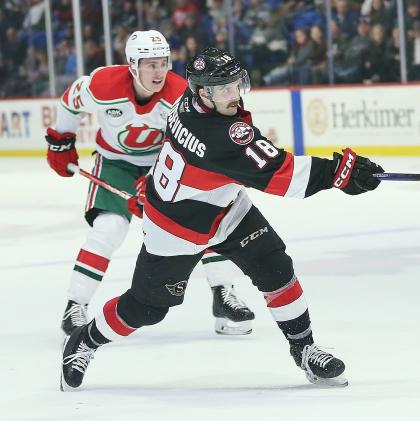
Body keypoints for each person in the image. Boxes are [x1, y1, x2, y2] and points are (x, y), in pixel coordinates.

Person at [60, 47, 384, 391]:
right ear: (204, 93)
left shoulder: (189, 100)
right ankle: (85, 340)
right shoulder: (220, 136)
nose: (235, 94)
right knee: (147, 308)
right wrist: (340, 171)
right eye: (225, 88)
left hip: (224, 206)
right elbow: (282, 176)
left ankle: (304, 349)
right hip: (177, 226)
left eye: (235, 84)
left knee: (274, 266)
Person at [45, 30, 255, 337]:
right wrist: (61, 140)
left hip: (165, 164)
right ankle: (75, 305)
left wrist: (158, 179)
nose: (159, 72)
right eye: (150, 65)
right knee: (110, 228)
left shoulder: (181, 95)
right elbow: (70, 101)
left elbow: (195, 140)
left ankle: (223, 293)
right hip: (115, 164)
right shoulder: (104, 84)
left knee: (204, 220)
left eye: (163, 63)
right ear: (133, 65)